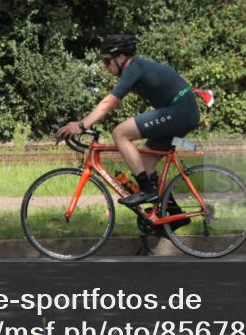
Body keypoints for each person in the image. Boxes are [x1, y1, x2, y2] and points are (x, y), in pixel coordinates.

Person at [55, 34, 200, 217]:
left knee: (120, 133)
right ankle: (172, 216)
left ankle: (148, 191)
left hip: (180, 111)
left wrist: (82, 125)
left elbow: (108, 103)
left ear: (121, 57)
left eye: (107, 61)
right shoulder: (134, 71)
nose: (105, 66)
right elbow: (113, 103)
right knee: (145, 165)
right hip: (180, 112)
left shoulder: (134, 68)